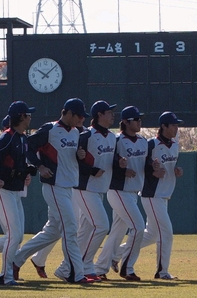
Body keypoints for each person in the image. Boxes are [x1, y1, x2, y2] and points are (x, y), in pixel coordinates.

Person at [11, 98, 93, 285]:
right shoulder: (50, 129)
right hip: (54, 186)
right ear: (69, 113)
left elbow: (71, 158)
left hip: (69, 187)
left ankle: (16, 260)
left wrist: (80, 156)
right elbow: (28, 147)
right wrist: (39, 166)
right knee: (71, 228)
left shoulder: (76, 132)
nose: (81, 119)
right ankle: (74, 273)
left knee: (53, 231)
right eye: (79, 115)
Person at [57, 100, 116, 281]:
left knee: (86, 230)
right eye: (109, 112)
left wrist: (120, 164)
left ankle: (65, 268)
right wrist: (90, 170)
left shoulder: (113, 137)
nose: (113, 115)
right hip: (85, 187)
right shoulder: (86, 135)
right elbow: (75, 160)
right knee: (102, 226)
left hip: (99, 188)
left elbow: (109, 160)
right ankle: (85, 266)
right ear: (99, 115)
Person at [0, 101, 36, 285]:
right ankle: (6, 275)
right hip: (2, 189)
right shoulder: (6, 137)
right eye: (28, 114)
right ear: (21, 116)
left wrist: (27, 170)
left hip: (14, 189)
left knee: (17, 235)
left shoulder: (22, 137)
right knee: (14, 235)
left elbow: (17, 163)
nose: (30, 117)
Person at [97, 106, 147, 281]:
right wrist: (121, 170)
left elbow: (145, 165)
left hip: (133, 192)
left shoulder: (142, 141)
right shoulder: (116, 140)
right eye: (136, 119)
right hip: (118, 190)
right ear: (125, 122)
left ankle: (100, 268)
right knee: (138, 226)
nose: (140, 121)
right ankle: (128, 268)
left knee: (117, 233)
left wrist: (154, 168)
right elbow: (107, 161)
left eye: (140, 119)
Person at [141, 111, 184, 280]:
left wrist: (177, 170)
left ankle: (115, 254)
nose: (176, 128)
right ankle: (162, 271)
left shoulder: (175, 144)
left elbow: (172, 165)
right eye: (173, 125)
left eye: (176, 125)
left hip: (165, 194)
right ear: (163, 126)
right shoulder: (151, 144)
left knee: (150, 235)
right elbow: (142, 166)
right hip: (152, 194)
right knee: (166, 233)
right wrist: (152, 171)